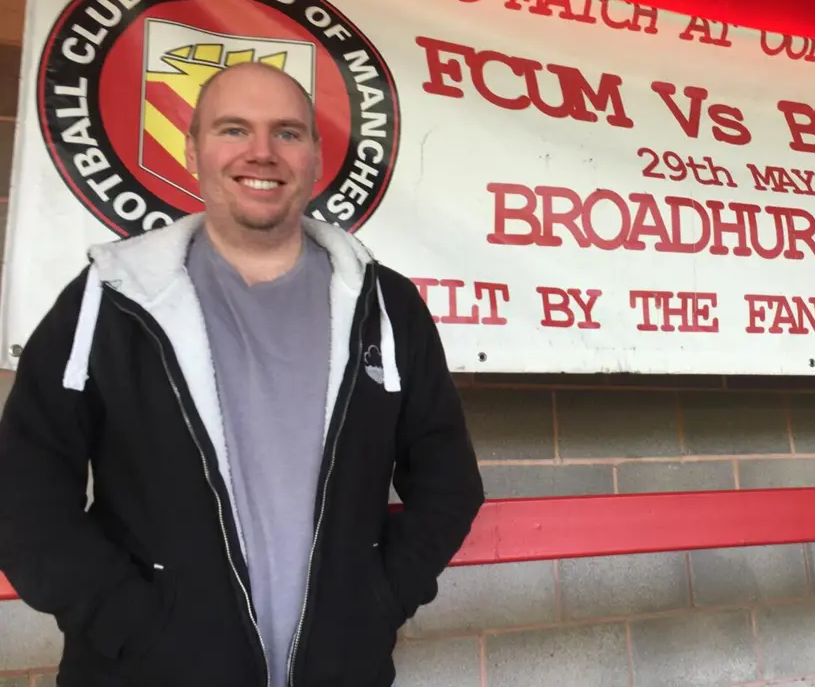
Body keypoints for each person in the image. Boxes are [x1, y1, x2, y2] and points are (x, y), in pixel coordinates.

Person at [0, 61, 485, 687]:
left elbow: (448, 481)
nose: (262, 152)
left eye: (287, 132)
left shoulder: (385, 306)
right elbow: (25, 485)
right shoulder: (112, 296)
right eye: (233, 129)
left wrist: (381, 599)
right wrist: (128, 624)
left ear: (315, 156)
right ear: (191, 149)